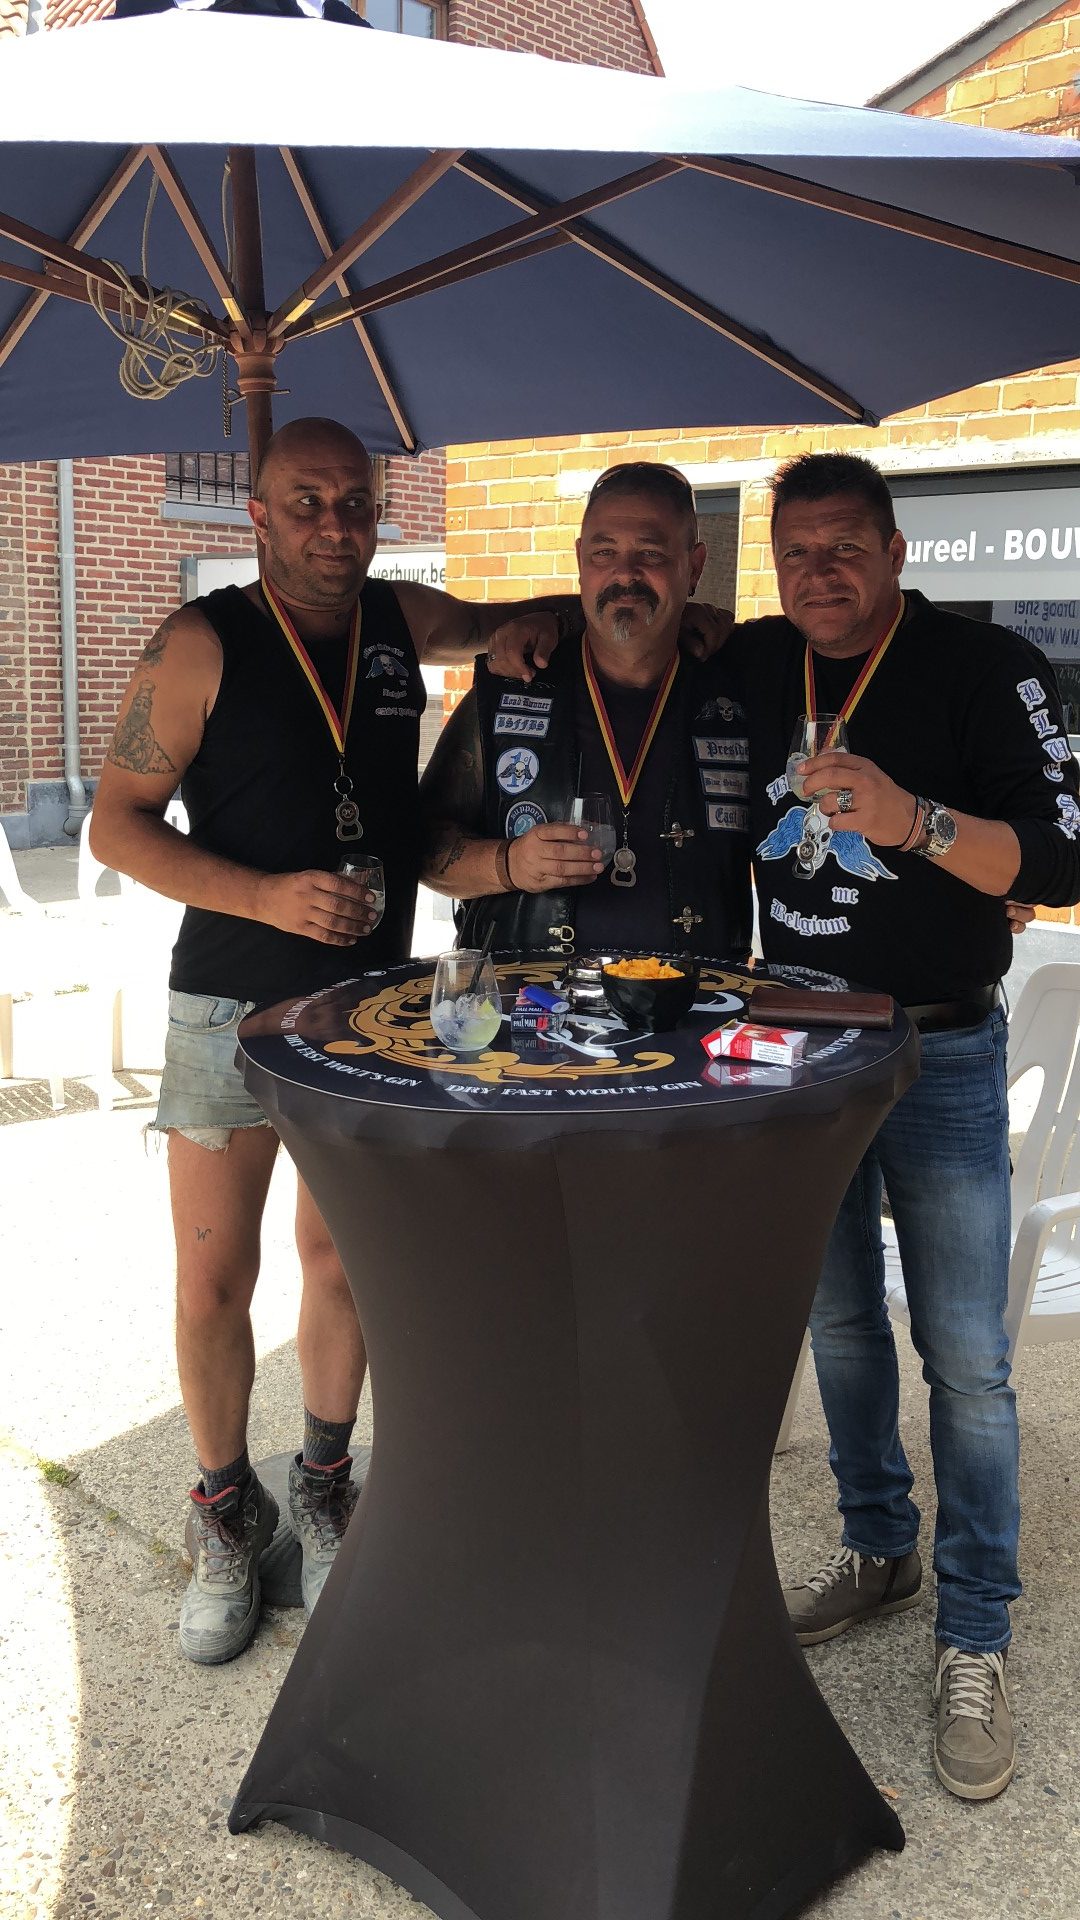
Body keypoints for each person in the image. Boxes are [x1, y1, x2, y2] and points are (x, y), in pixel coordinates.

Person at [89, 417, 570, 1666]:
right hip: (228, 1007)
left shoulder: (400, 622)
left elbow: (504, 623)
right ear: (257, 514)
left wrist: (664, 617)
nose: (335, 526)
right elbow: (116, 824)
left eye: (355, 502)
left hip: (368, 1009)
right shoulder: (200, 644)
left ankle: (320, 1481)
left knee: (344, 1262)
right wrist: (263, 895)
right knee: (214, 1280)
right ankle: (222, 1512)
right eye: (306, 502)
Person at [733, 451, 1080, 1801]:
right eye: (796, 552)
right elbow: (632, 627)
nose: (820, 574)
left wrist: (915, 821)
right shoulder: (756, 661)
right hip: (800, 1055)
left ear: (893, 548)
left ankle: (975, 1630)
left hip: (938, 1050)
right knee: (837, 1326)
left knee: (970, 1363)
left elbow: (1060, 861)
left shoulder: (985, 668)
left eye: (844, 547)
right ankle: (880, 1551)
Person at [417, 462, 752, 962]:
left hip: (698, 999)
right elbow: (420, 843)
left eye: (651, 553)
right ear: (580, 559)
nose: (625, 573)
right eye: (604, 552)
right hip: (527, 998)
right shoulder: (511, 683)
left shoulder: (741, 691)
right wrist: (508, 864)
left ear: (695, 566)